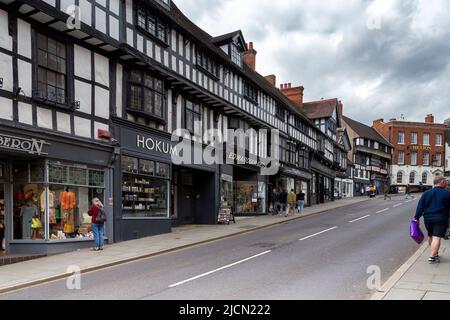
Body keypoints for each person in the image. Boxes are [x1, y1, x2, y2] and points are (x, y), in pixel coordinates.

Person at [414, 177, 450, 264]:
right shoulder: (447, 193)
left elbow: (420, 206)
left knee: (431, 236)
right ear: (441, 182)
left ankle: (435, 253)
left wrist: (416, 217)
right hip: (441, 218)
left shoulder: (426, 193)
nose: (446, 183)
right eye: (445, 181)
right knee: (437, 237)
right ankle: (432, 257)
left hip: (428, 218)